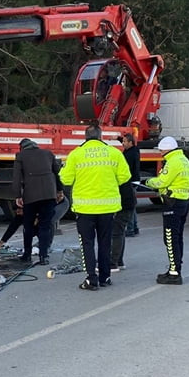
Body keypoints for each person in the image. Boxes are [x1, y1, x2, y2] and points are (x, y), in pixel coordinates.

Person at [59, 124, 130, 291]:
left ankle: (91, 279)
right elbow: (125, 176)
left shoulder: (76, 154)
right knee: (105, 243)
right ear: (100, 136)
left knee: (87, 244)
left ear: (85, 137)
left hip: (85, 209)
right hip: (108, 208)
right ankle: (105, 277)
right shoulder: (114, 153)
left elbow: (66, 180)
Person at [0, 137, 62, 263]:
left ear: (22, 148)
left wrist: (17, 196)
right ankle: (44, 256)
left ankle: (27, 254)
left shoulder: (21, 156)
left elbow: (16, 179)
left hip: (31, 197)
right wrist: (59, 190)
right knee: (45, 226)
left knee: (28, 226)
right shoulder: (48, 153)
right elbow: (56, 173)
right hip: (49, 195)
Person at [144, 136, 189, 285]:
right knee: (177, 237)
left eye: (161, 148)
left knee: (170, 239)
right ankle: (175, 269)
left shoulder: (173, 162)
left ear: (167, 148)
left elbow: (162, 181)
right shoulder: (185, 161)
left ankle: (174, 273)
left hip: (172, 203)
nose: (159, 151)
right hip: (183, 201)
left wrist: (147, 181)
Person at [111, 132, 141, 270]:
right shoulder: (132, 150)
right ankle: (132, 227)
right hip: (131, 184)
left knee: (128, 211)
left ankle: (132, 227)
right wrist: (117, 138)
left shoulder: (130, 154)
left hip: (130, 182)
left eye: (124, 142)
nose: (122, 143)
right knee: (131, 207)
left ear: (130, 143)